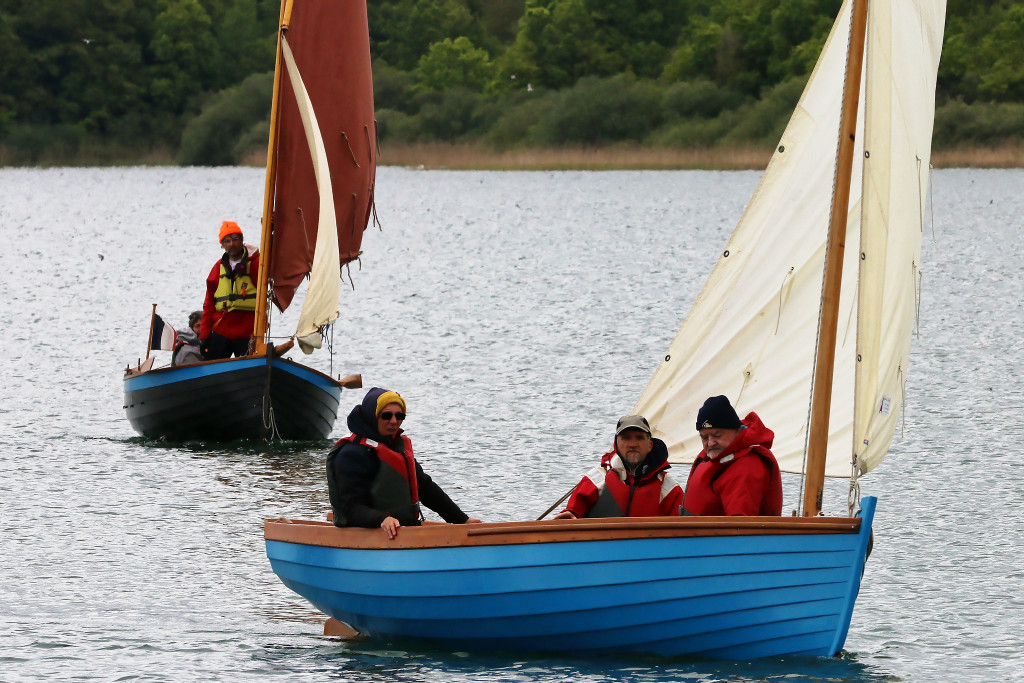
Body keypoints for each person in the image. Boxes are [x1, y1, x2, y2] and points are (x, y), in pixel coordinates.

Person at [327, 388, 481, 539]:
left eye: (399, 415)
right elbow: (351, 507)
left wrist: (462, 520)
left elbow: (425, 488)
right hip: (365, 534)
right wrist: (382, 519)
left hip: (403, 531)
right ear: (372, 416)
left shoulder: (395, 448)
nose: (394, 421)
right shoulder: (351, 454)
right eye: (386, 415)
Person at [553, 415, 683, 519]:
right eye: (626, 438)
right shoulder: (596, 480)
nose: (633, 444)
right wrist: (572, 515)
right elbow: (572, 514)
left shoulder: (668, 489)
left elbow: (684, 530)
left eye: (639, 438)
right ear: (616, 444)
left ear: (650, 445)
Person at [680, 395, 783, 516]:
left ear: (736, 430)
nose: (711, 443)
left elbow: (739, 528)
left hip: (715, 534)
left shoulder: (747, 467)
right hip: (694, 533)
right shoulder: (718, 453)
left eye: (717, 435)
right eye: (704, 437)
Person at [199, 220, 259, 360]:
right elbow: (209, 304)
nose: (231, 244)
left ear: (242, 240)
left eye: (235, 239)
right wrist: (204, 335)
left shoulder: (257, 264)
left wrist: (272, 229)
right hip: (222, 330)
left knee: (249, 369)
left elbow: (275, 264)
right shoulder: (217, 268)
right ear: (222, 245)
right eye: (226, 241)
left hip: (248, 331)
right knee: (210, 369)